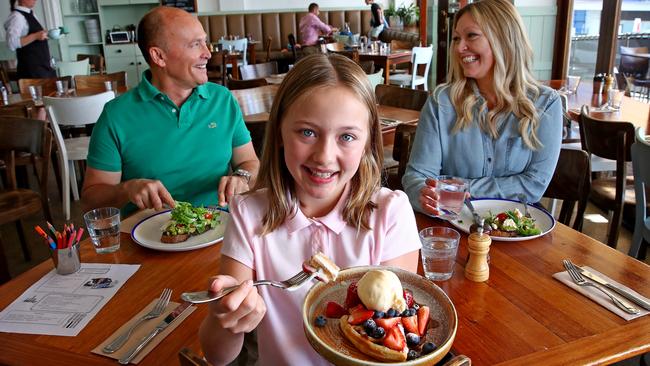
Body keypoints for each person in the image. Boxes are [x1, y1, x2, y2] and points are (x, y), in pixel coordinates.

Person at [198, 54, 421, 365]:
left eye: (346, 137)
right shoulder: (248, 214)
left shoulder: (390, 214)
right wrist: (227, 318)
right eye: (307, 132)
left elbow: (396, 337)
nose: (324, 157)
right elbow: (216, 355)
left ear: (368, 141)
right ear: (278, 132)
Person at [81, 7, 259, 215]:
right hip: (145, 235)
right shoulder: (115, 115)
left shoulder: (223, 100)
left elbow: (250, 162)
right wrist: (127, 189)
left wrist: (242, 177)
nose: (208, 53)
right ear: (158, 56)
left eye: (204, 41)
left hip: (219, 228)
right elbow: (91, 201)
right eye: (195, 44)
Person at [402, 0, 562, 216]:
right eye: (457, 38)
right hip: (452, 227)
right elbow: (417, 175)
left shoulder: (546, 104)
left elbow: (533, 185)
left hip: (515, 229)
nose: (459, 47)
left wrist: (461, 188)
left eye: (472, 36)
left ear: (503, 39)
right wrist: (425, 194)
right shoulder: (441, 102)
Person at [4, 0, 56, 78]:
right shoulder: (17, 16)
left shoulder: (31, 14)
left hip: (42, 69)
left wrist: (43, 35)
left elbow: (35, 38)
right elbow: (11, 43)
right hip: (31, 72)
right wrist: (35, 36)